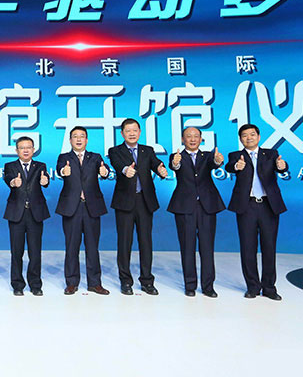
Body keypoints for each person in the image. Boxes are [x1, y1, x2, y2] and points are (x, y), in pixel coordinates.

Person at [225, 124, 288, 300]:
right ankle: (253, 286)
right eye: (245, 135)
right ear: (240, 139)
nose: (249, 138)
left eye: (252, 134)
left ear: (259, 137)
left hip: (268, 206)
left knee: (269, 247)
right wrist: (237, 166)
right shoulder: (236, 156)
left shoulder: (271, 154)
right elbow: (230, 166)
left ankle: (269, 287)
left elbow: (281, 166)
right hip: (247, 206)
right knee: (248, 248)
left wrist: (282, 166)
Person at [108, 118, 168, 296]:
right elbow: (118, 164)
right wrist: (126, 170)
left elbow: (156, 163)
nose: (132, 133)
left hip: (144, 201)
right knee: (124, 243)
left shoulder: (147, 150)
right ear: (122, 133)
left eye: (135, 130)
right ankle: (125, 281)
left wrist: (161, 169)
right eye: (128, 131)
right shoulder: (115, 151)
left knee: (146, 242)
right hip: (124, 202)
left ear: (140, 132)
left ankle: (147, 281)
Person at [167, 127, 225, 297]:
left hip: (207, 205)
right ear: (182, 139)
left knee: (207, 247)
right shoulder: (176, 156)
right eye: (188, 136)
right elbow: (175, 166)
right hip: (185, 206)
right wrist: (175, 163)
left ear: (201, 139)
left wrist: (218, 161)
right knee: (187, 247)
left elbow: (214, 163)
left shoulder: (207, 156)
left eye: (195, 136)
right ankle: (190, 285)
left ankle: (208, 286)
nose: (192, 139)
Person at [55, 126, 111, 295]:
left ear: (86, 140)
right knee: (71, 246)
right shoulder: (64, 157)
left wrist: (105, 172)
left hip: (91, 207)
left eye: (82, 136)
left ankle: (95, 283)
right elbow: (59, 169)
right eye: (75, 136)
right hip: (71, 207)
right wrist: (63, 171)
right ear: (70, 140)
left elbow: (105, 170)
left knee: (93, 247)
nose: (78, 139)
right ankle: (72, 283)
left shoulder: (95, 157)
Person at [3, 136, 50, 296]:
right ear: (17, 150)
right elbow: (8, 179)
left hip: (35, 213)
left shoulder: (40, 166)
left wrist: (45, 181)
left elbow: (45, 180)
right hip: (17, 213)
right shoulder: (10, 166)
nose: (25, 150)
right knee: (16, 252)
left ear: (33, 150)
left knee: (35, 252)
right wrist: (13, 183)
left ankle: (35, 284)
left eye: (28, 147)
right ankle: (17, 284)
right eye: (22, 148)